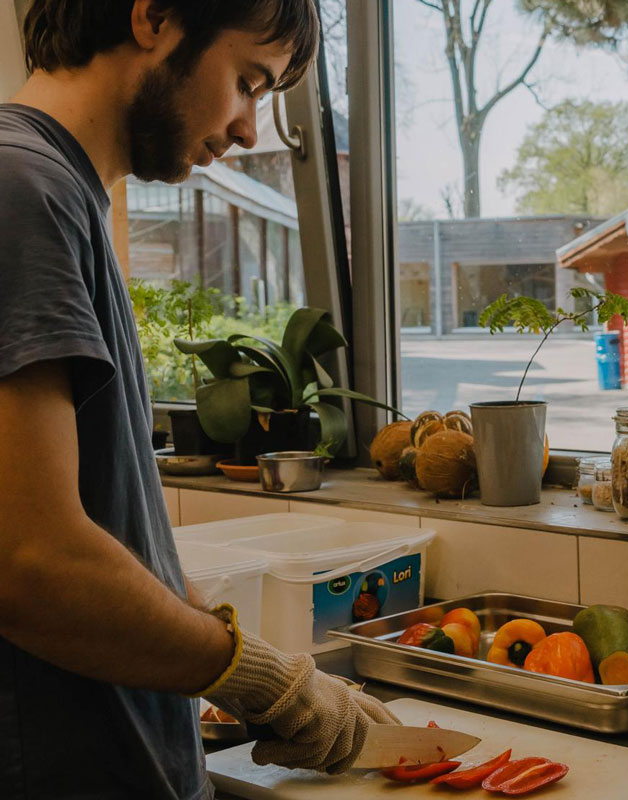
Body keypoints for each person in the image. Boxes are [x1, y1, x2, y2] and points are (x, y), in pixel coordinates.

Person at [0, 2, 398, 798]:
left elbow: (111, 521)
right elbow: (29, 562)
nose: (249, 129)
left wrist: (253, 667)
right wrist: (260, 678)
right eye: (248, 82)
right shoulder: (22, 191)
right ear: (153, 16)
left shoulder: (64, 193)